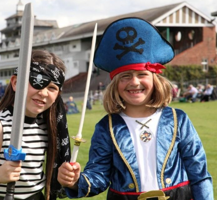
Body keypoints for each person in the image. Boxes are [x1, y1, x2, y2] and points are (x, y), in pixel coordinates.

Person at [57, 17, 213, 200]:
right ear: (115, 84)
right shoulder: (106, 127)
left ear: (155, 79)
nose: (134, 82)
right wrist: (76, 181)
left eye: (142, 74)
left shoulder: (178, 119)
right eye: (125, 76)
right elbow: (98, 176)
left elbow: (199, 173)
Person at [0, 50, 71, 200]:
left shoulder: (46, 125)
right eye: (38, 82)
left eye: (52, 88)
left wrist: (68, 175)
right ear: (16, 83)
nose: (43, 93)